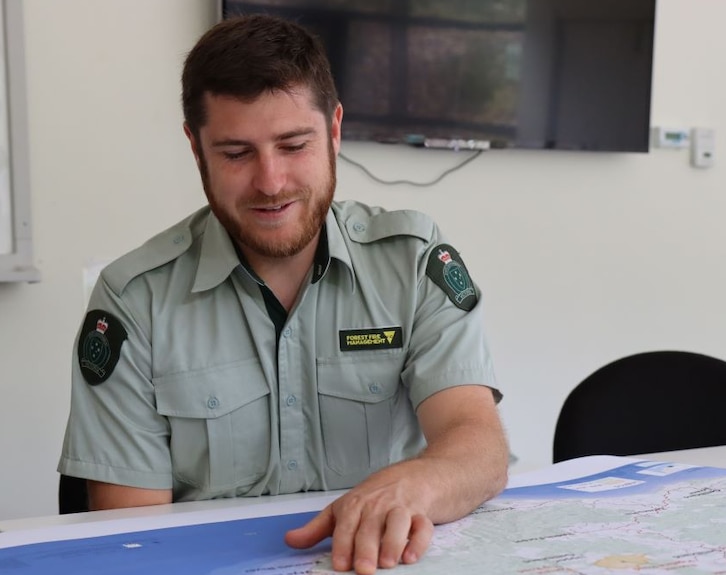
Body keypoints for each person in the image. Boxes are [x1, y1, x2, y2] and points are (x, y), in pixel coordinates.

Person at [58, 13, 508, 575]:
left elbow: (479, 448)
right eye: (236, 154)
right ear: (196, 150)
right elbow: (132, 540)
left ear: (335, 131)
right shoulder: (133, 299)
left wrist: (415, 485)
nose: (270, 182)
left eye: (294, 145)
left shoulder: (412, 261)